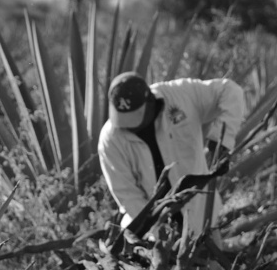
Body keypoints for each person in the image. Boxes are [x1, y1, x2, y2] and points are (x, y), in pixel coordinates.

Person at [98, 71, 245, 243]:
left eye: (134, 119)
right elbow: (128, 195)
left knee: (213, 267)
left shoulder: (180, 96)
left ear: (151, 102)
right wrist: (158, 230)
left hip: (201, 218)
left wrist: (221, 139)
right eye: (122, 119)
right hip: (152, 238)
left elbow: (230, 91)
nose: (128, 126)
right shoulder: (110, 140)